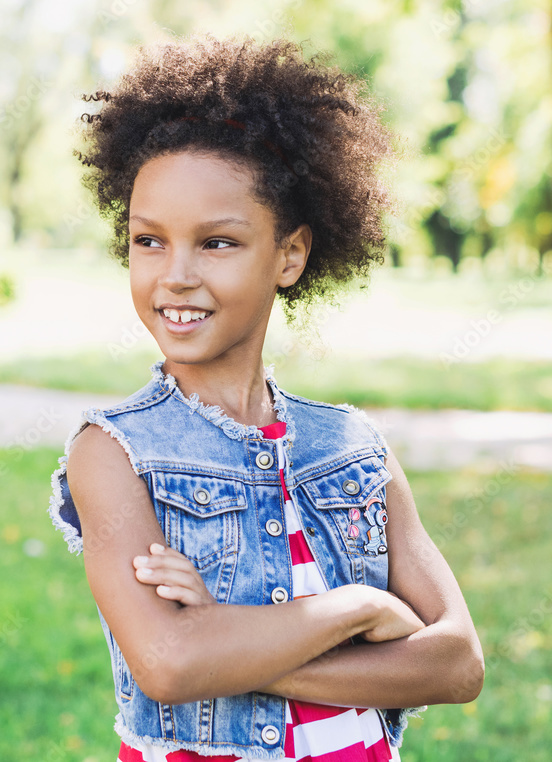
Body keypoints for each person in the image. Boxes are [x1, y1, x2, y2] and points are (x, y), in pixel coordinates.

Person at [48, 35, 484, 761]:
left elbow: (457, 663)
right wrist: (360, 608)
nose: (175, 275)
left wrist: (227, 633)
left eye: (216, 243)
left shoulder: (352, 450)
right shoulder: (115, 453)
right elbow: (170, 665)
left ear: (290, 254)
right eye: (148, 241)